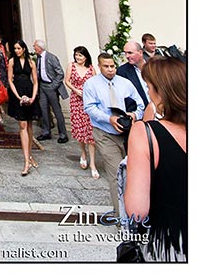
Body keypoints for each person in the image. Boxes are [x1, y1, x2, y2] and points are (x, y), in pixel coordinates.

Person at [124, 56, 186, 261]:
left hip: (169, 243)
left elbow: (137, 211)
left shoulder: (145, 132)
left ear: (162, 92)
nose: (148, 93)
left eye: (149, 87)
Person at [83, 52, 145, 217]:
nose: (110, 70)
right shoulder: (91, 84)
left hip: (127, 134)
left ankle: (135, 213)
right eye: (106, 66)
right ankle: (122, 217)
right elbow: (89, 108)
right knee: (116, 173)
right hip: (104, 132)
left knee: (132, 174)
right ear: (99, 66)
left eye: (113, 66)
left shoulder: (125, 83)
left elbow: (140, 104)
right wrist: (109, 119)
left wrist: (133, 115)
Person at [64, 46, 99, 178]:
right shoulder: (71, 66)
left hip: (89, 100)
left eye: (80, 55)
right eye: (76, 55)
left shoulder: (91, 68)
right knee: (80, 129)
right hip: (76, 100)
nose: (78, 57)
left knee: (90, 131)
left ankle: (93, 164)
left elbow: (96, 83)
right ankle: (83, 153)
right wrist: (75, 90)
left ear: (86, 57)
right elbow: (67, 81)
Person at [7, 40, 39, 175]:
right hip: (17, 91)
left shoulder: (31, 62)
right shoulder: (12, 62)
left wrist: (33, 96)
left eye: (19, 48)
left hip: (29, 90)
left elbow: (36, 81)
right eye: (15, 48)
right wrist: (18, 96)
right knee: (23, 125)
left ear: (24, 49)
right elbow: (9, 80)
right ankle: (26, 161)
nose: (17, 50)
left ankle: (30, 155)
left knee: (30, 125)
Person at [33, 39, 69, 143]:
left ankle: (63, 134)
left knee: (56, 110)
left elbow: (60, 73)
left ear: (39, 48)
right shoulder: (37, 58)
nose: (33, 48)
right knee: (44, 110)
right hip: (42, 87)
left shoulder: (51, 57)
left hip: (51, 86)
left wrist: (53, 85)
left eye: (34, 46)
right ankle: (46, 132)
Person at [117, 41, 150, 108]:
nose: (127, 56)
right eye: (125, 53)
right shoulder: (122, 72)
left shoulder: (154, 65)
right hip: (140, 113)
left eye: (130, 53)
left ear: (140, 52)